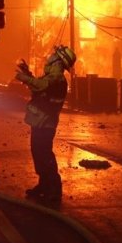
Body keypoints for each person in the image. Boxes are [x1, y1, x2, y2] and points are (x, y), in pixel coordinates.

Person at [14, 45, 76, 204]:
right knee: (38, 153)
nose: (50, 56)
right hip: (39, 121)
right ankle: (44, 185)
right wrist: (27, 73)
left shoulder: (57, 78)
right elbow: (38, 87)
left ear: (58, 60)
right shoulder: (51, 77)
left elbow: (40, 85)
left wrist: (24, 78)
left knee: (45, 154)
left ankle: (54, 189)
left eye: (54, 54)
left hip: (46, 122)